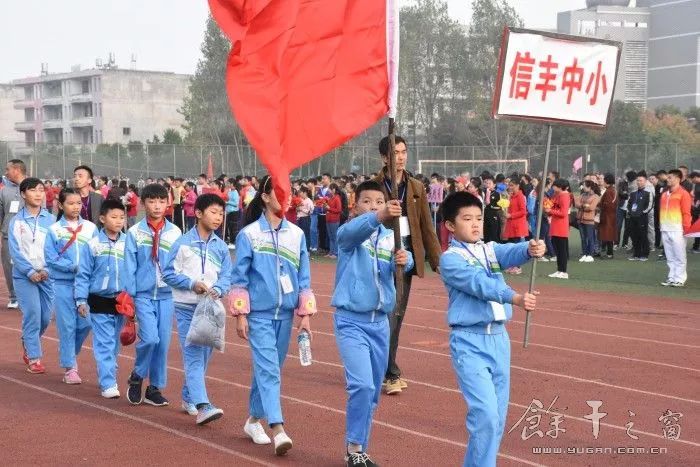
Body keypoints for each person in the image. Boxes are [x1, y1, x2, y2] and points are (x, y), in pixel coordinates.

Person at [439, 191, 543, 467]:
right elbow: (479, 284)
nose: (475, 224)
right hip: (469, 342)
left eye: (479, 218)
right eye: (467, 219)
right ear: (450, 225)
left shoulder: (488, 250)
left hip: (499, 341)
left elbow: (510, 252)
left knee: (497, 420)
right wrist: (515, 297)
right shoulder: (450, 259)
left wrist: (528, 249)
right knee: (484, 415)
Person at [331, 181, 414, 466]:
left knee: (373, 393)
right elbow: (352, 233)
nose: (375, 205)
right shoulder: (349, 235)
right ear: (356, 205)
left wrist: (406, 259)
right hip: (351, 321)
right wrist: (377, 217)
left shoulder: (391, 238)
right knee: (362, 386)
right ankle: (354, 449)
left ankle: (358, 449)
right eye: (367, 201)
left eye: (380, 201)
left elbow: (401, 264)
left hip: (380, 323)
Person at [230, 175, 314, 456]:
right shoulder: (250, 234)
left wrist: (306, 314)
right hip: (260, 315)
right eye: (279, 192)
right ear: (265, 197)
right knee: (268, 370)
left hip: (286, 315)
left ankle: (253, 420)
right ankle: (277, 427)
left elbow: (304, 278)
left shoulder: (297, 235)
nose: (287, 197)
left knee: (270, 370)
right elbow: (239, 278)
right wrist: (241, 314)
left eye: (289, 192)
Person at [373, 135, 441, 395]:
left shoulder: (415, 187)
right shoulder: (374, 185)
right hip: (380, 257)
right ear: (384, 158)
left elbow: (426, 226)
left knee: (397, 316)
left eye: (404, 152)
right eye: (395, 152)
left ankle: (386, 369)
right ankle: (389, 372)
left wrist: (437, 261)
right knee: (385, 315)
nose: (400, 157)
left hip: (406, 258)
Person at [162, 193, 233, 425]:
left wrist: (219, 289)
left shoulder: (221, 248)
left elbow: (227, 276)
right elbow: (168, 273)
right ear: (199, 213)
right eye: (213, 212)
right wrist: (192, 284)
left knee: (203, 358)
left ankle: (188, 396)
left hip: (210, 310)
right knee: (193, 357)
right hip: (185, 308)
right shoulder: (182, 243)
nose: (218, 218)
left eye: (221, 214)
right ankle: (203, 406)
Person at [124, 183, 182, 406]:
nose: (157, 206)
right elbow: (129, 267)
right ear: (143, 203)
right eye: (152, 201)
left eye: (161, 201)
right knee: (150, 338)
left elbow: (180, 263)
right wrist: (129, 297)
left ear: (168, 203)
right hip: (144, 295)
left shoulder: (175, 232)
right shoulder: (134, 233)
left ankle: (154, 388)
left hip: (167, 295)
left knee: (163, 343)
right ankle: (138, 375)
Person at [75, 199, 128, 399]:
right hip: (98, 299)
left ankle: (106, 374)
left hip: (122, 301)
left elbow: (134, 271)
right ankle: (108, 382)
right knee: (104, 343)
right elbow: (83, 274)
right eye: (113, 217)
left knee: (114, 343)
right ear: (102, 218)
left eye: (121, 217)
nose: (118, 221)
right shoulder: (93, 244)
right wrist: (80, 299)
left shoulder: (128, 243)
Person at [44, 189, 98, 384]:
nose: (76, 207)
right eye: (71, 203)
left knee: (86, 323)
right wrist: (73, 267)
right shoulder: (54, 230)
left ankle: (68, 352)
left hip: (85, 285)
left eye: (78, 203)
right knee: (67, 326)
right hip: (63, 284)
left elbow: (97, 252)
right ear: (61, 205)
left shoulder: (91, 228)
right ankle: (70, 368)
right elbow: (50, 258)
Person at [9, 178, 56, 373]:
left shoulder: (52, 221)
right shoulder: (16, 221)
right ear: (23, 194)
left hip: (47, 275)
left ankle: (28, 339)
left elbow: (57, 250)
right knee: (33, 314)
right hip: (24, 276)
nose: (38, 194)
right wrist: (29, 271)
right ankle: (34, 356)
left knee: (45, 317)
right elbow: (15, 251)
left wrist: (47, 270)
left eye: (40, 190)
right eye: (33, 190)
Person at [0, 159, 27, 309]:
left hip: (29, 235)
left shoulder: (33, 186)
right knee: (8, 266)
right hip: (8, 236)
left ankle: (29, 295)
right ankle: (13, 296)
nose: (5, 172)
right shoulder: (4, 190)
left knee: (31, 264)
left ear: (16, 169)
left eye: (7, 169)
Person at [659, 169, 692, 287]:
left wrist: (686, 228)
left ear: (678, 179)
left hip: (678, 229)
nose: (668, 179)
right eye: (668, 177)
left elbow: (686, 213)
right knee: (670, 255)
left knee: (679, 255)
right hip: (665, 228)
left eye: (670, 177)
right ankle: (671, 277)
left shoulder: (683, 194)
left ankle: (680, 278)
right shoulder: (664, 194)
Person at [546, 179, 571, 279]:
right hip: (555, 225)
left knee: (561, 250)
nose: (553, 187)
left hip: (561, 227)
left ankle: (563, 271)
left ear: (560, 187)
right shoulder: (557, 195)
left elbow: (563, 213)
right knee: (557, 249)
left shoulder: (564, 196)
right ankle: (559, 270)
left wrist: (550, 210)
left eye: (555, 186)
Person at [628, 172, 652, 261]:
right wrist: (630, 212)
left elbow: (650, 205)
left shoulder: (648, 193)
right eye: (637, 181)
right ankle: (636, 254)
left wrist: (642, 213)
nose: (639, 182)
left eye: (641, 181)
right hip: (633, 217)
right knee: (634, 236)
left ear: (645, 182)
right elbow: (629, 203)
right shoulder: (633, 193)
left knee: (643, 236)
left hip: (642, 218)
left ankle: (645, 254)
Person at [576, 180, 600, 263]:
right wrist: (584, 205)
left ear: (589, 187)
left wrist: (583, 206)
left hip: (589, 221)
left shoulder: (596, 196)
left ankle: (590, 254)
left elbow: (592, 208)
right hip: (580, 219)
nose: (583, 187)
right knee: (583, 238)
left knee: (590, 238)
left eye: (584, 186)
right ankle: (585, 254)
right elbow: (576, 204)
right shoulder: (582, 195)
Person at [598, 174, 618, 259]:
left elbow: (609, 204)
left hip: (608, 216)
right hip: (610, 215)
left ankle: (610, 254)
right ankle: (609, 253)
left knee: (608, 235)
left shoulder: (609, 191)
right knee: (609, 234)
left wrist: (600, 206)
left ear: (606, 181)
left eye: (604, 180)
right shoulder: (612, 190)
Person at [314, 173, 332, 253]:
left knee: (328, 231)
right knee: (321, 230)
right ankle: (322, 247)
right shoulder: (320, 189)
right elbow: (316, 198)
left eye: (324, 178)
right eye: (322, 179)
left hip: (328, 213)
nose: (323, 180)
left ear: (329, 179)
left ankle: (328, 248)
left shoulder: (332, 189)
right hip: (320, 213)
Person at [481, 175, 502, 244]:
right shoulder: (483, 193)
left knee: (494, 234)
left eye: (490, 183)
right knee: (486, 234)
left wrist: (491, 206)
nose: (488, 185)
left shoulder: (497, 194)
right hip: (486, 215)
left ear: (494, 185)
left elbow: (500, 207)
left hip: (493, 216)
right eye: (486, 183)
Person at [325, 183, 342, 258]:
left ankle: (335, 253)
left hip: (334, 220)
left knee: (334, 236)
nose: (328, 190)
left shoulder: (337, 198)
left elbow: (339, 210)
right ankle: (331, 252)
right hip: (329, 219)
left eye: (330, 189)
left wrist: (329, 208)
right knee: (330, 236)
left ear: (334, 190)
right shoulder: (331, 197)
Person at [296, 186, 314, 252]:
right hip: (299, 218)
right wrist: (297, 209)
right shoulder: (300, 200)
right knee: (300, 234)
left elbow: (310, 212)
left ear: (305, 193)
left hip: (305, 219)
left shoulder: (309, 201)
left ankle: (307, 250)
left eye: (301, 192)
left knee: (306, 234)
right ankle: (301, 249)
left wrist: (301, 209)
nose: (300, 194)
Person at [225, 177, 240, 246]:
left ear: (232, 184)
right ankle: (231, 241)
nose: (227, 184)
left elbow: (236, 203)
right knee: (229, 227)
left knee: (233, 227)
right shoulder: (230, 191)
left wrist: (228, 202)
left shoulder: (235, 192)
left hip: (234, 212)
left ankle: (233, 242)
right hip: (229, 212)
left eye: (228, 183)